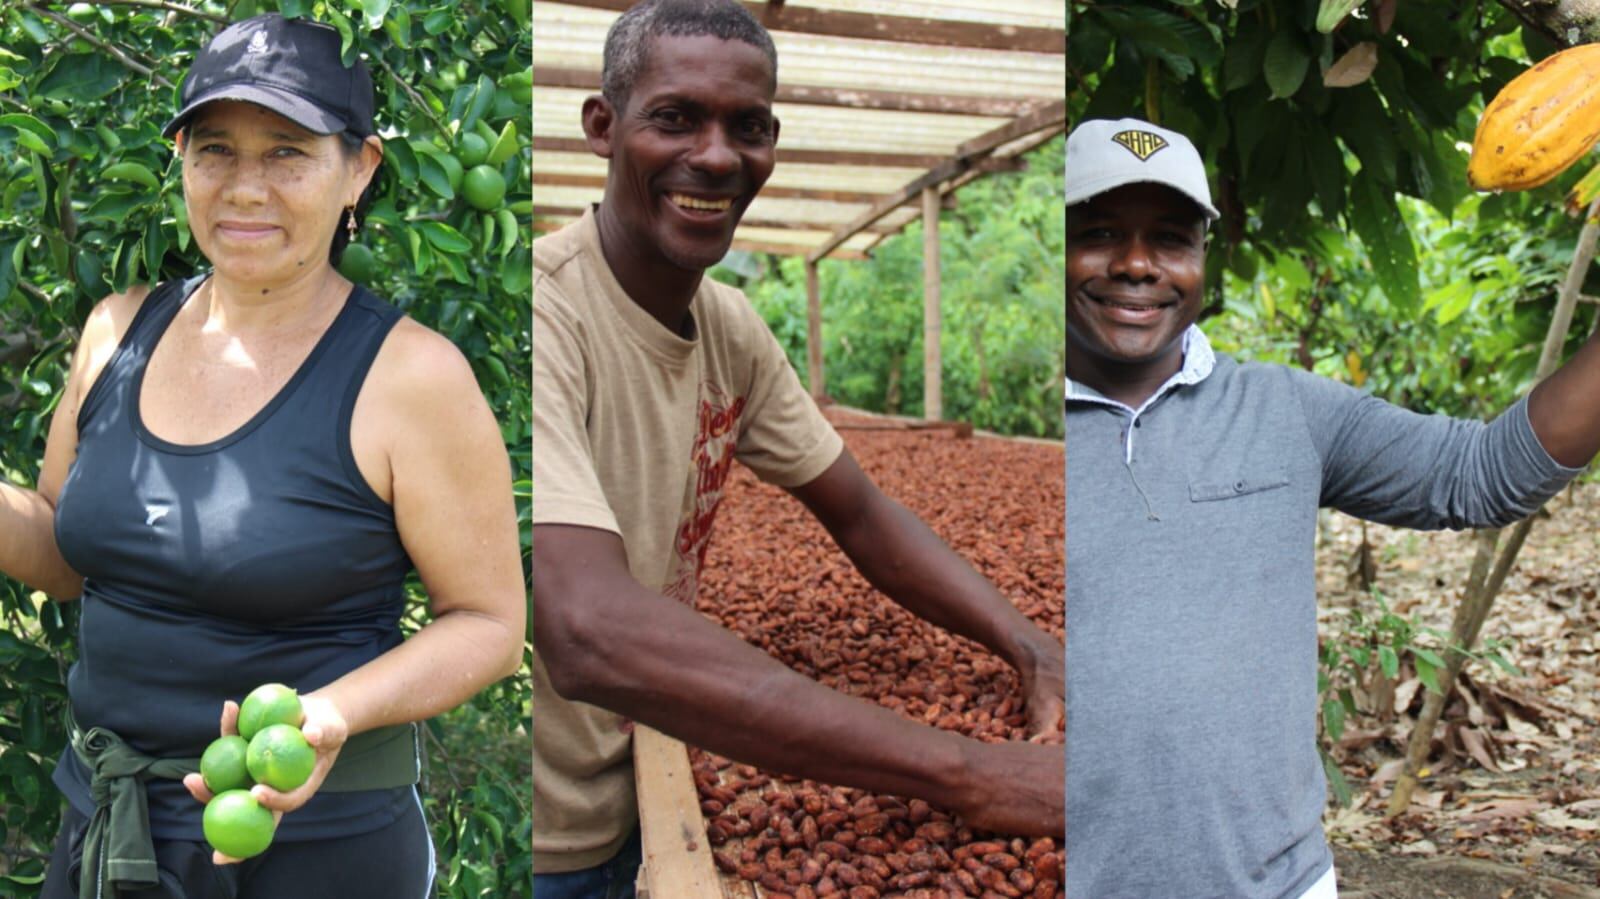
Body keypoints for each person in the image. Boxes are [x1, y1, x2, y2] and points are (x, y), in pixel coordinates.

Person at [530, 0, 1065, 892]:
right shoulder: (546, 316)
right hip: (547, 836)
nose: (715, 156)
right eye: (675, 118)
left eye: (747, 127)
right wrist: (969, 773)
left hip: (634, 776)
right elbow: (587, 628)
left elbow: (861, 514)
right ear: (602, 126)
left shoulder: (728, 326)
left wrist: (1029, 645)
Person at [0, 15, 525, 899]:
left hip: (318, 844)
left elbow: (487, 624)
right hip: (107, 820)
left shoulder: (411, 378)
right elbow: (63, 556)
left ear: (359, 170)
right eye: (216, 151)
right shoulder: (117, 329)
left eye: (287, 153)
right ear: (180, 163)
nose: (245, 188)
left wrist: (332, 712)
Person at [1065, 116, 1600, 899]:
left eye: (1171, 238)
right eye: (1100, 232)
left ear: (1203, 256)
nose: (1138, 264)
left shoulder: (1285, 411)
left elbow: (1484, 474)